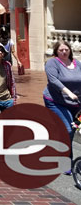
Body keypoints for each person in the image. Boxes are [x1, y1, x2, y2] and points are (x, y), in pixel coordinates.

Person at [43, 40, 80, 175]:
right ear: (56, 52)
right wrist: (68, 92)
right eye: (61, 50)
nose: (64, 52)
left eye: (66, 49)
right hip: (56, 101)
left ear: (70, 50)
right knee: (68, 129)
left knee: (74, 129)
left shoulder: (77, 64)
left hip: (76, 103)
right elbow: (53, 80)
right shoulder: (52, 63)